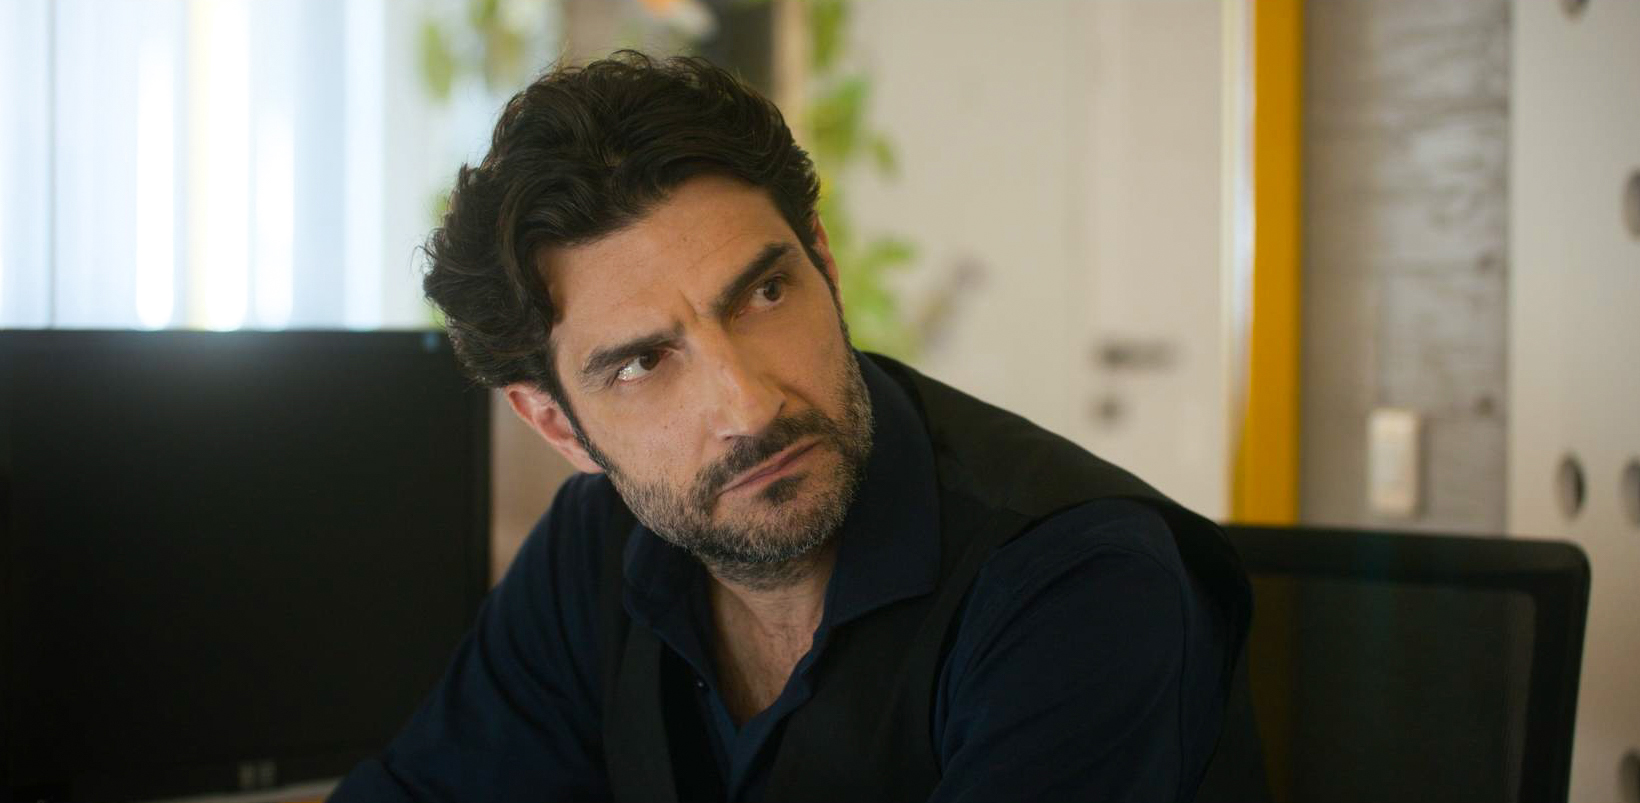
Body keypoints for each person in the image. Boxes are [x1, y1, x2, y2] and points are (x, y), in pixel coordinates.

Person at [332, 51, 1251, 803]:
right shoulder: (593, 549)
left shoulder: (1080, 585)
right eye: (644, 363)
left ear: (824, 263)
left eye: (764, 294)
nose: (749, 406)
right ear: (557, 425)